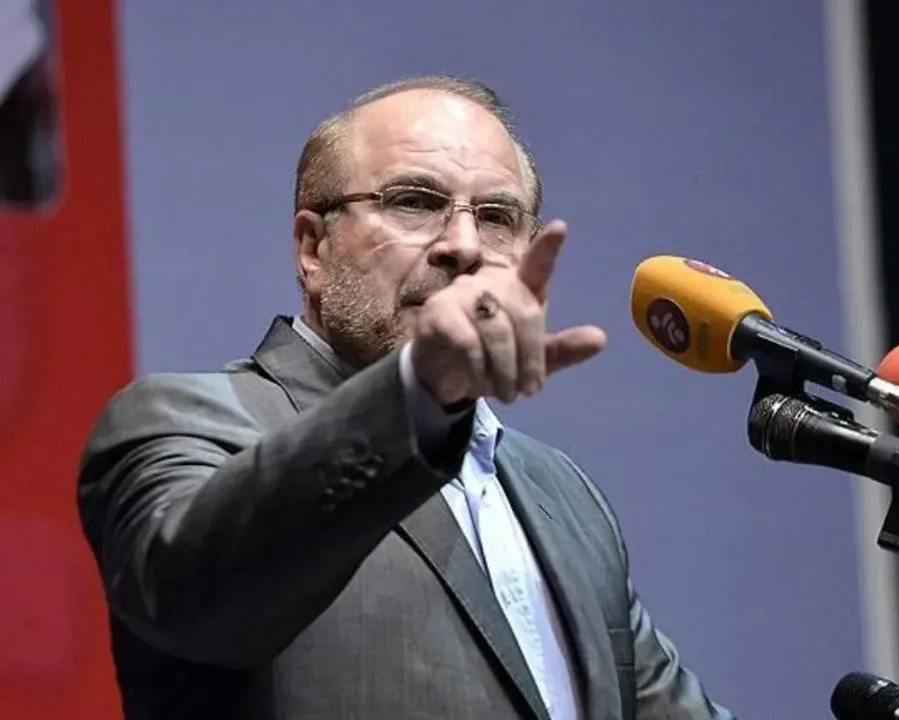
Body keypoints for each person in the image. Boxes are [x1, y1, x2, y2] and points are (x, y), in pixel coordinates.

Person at [78, 76, 735, 719]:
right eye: (415, 202)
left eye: (497, 217)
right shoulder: (182, 421)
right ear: (313, 247)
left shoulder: (564, 495)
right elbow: (191, 601)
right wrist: (417, 393)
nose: (464, 246)